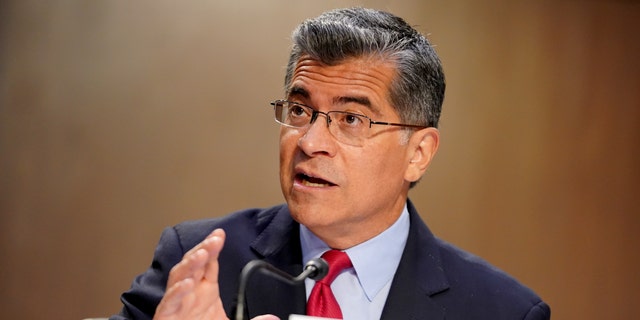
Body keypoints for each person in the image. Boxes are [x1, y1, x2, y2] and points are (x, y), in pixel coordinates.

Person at [111, 7, 550, 320]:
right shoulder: (200, 261)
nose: (311, 141)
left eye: (351, 119)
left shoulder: (502, 310)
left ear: (418, 153)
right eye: (300, 111)